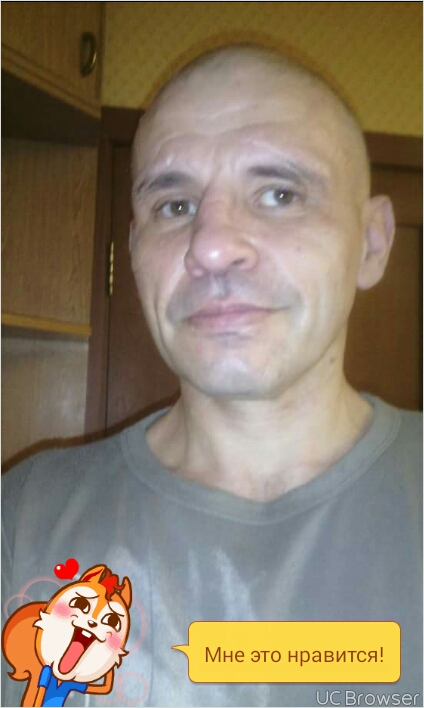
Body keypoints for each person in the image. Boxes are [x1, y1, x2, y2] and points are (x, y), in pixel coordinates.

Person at [2, 45, 422, 707]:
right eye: (174, 206)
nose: (212, 246)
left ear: (372, 243)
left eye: (279, 195)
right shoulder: (21, 518)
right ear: (134, 251)